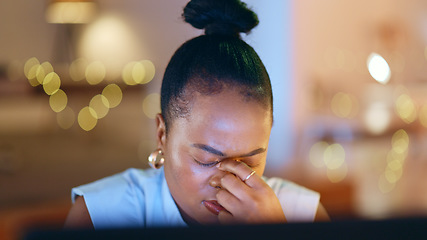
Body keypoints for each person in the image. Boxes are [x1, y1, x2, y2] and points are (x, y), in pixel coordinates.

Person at [64, 0, 329, 229]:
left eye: (249, 164)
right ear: (162, 135)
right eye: (206, 159)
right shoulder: (102, 217)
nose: (227, 183)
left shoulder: (302, 216)